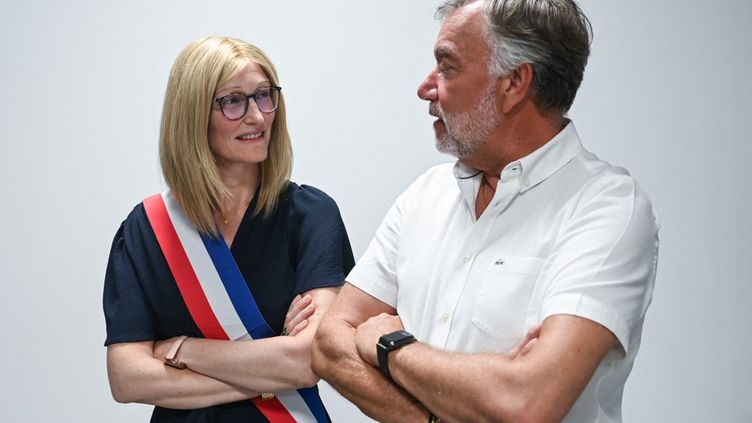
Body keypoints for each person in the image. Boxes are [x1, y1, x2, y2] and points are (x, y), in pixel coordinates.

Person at [312, 1, 659, 422]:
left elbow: (528, 401)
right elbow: (331, 344)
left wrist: (390, 344)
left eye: (448, 67)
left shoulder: (607, 208)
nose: (426, 87)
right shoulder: (426, 194)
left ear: (513, 83)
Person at [103, 36, 354, 422]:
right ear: (192, 115)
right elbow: (126, 378)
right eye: (233, 101)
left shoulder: (310, 215)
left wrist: (183, 351)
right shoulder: (147, 229)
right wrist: (270, 372)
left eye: (264, 95)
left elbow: (308, 360)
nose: (256, 116)